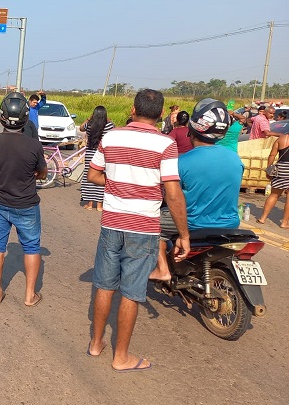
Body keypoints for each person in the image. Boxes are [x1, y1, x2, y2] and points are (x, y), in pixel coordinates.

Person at [86, 89, 189, 372]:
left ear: (133, 109)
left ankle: (96, 344)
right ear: (160, 115)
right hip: (143, 227)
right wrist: (184, 234)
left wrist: (118, 179)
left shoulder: (112, 136)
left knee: (105, 284)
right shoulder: (165, 144)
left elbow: (94, 174)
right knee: (131, 291)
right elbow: (173, 191)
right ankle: (121, 357)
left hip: (112, 223)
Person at [150, 99, 242, 281]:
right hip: (230, 223)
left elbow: (170, 196)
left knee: (153, 228)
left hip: (194, 223)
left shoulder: (181, 162)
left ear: (191, 131)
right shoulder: (235, 159)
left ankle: (163, 270)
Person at [0, 92, 46, 306]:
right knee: (31, 247)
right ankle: (30, 295)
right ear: (25, 117)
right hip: (26, 204)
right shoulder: (34, 146)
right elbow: (43, 173)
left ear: (2, 116)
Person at [79, 106, 114, 211]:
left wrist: (89, 119)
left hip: (90, 153)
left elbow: (81, 128)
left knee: (89, 177)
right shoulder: (108, 126)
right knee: (100, 177)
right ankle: (99, 205)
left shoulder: (89, 125)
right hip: (102, 154)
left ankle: (89, 204)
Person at [256, 129, 289, 228]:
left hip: (281, 168)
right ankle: (284, 222)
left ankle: (263, 218)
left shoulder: (281, 139)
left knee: (274, 195)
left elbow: (272, 155)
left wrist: (269, 168)